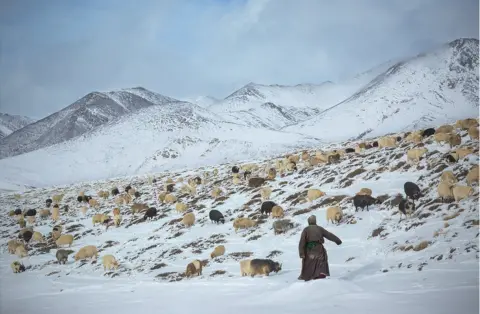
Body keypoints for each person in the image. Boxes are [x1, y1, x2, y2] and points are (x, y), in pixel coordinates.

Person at [298, 214, 342, 281]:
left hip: (309, 250)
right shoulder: (319, 228)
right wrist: (337, 240)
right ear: (315, 221)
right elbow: (329, 235)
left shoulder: (306, 230)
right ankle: (320, 276)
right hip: (319, 249)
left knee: (309, 263)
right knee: (321, 262)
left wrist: (302, 253)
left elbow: (302, 242)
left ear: (308, 222)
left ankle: (309, 277)